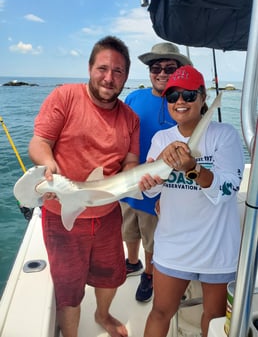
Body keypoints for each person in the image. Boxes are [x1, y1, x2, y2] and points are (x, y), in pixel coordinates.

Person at [28, 35, 155, 337]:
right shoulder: (65, 97)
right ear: (89, 68)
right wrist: (48, 163)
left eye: (118, 71)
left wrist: (137, 178)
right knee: (69, 289)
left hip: (107, 211)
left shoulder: (130, 118)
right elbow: (40, 142)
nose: (109, 78)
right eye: (103, 68)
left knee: (112, 277)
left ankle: (103, 315)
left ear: (126, 76)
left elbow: (131, 161)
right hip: (63, 215)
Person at [143, 65, 244, 337]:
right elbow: (150, 192)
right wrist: (153, 181)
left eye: (188, 95)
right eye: (173, 96)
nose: (180, 102)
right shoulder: (161, 139)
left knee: (214, 318)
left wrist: (193, 168)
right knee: (160, 312)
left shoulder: (224, 135)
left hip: (217, 247)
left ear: (202, 98)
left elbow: (228, 189)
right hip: (173, 246)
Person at [120, 42, 193, 302]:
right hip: (129, 180)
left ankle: (149, 273)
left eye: (169, 68)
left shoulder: (184, 103)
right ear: (149, 71)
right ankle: (132, 262)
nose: (162, 73)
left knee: (152, 236)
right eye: (156, 68)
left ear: (179, 70)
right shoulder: (134, 98)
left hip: (162, 183)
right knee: (128, 229)